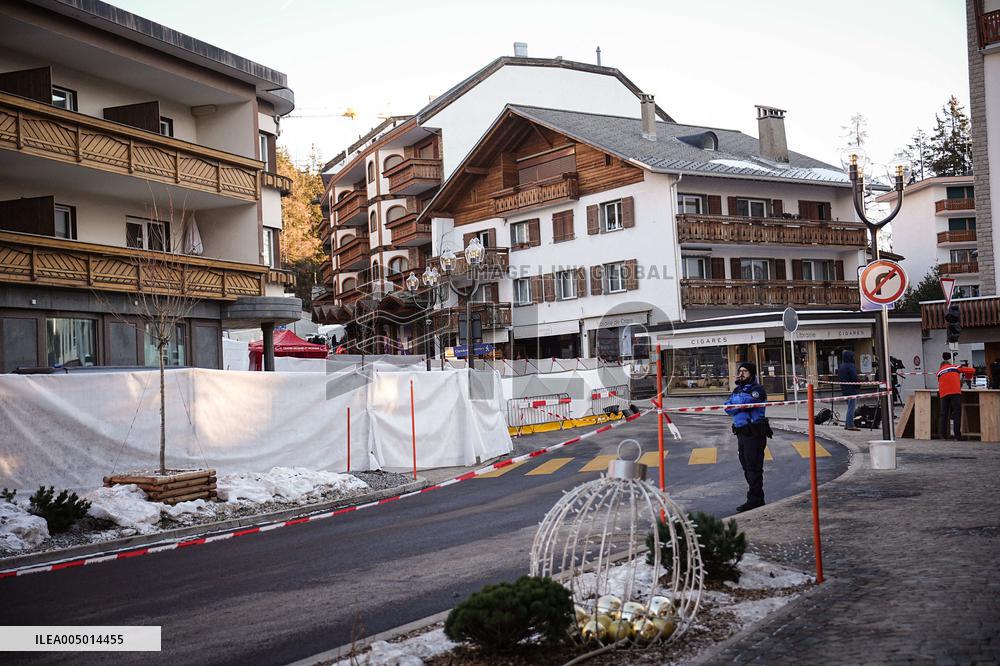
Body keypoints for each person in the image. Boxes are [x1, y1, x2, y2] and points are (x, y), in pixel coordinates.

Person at [725, 362, 772, 512]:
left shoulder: (757, 389)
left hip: (754, 433)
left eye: (745, 371)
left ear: (751, 373)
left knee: (754, 467)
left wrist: (737, 402)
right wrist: (737, 402)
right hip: (741, 433)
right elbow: (727, 407)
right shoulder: (737, 389)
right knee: (746, 466)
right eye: (740, 371)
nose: (741, 374)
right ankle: (757, 498)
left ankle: (754, 500)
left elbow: (746, 403)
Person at [937, 352, 975, 440]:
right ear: (949, 363)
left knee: (944, 414)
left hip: (943, 394)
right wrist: (968, 377)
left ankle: (943, 435)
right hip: (955, 392)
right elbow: (972, 370)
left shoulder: (939, 372)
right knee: (956, 414)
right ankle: (957, 436)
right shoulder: (955, 367)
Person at [837, 350, 860, 431]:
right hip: (852, 389)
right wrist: (858, 384)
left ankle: (847, 424)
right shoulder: (850, 366)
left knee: (849, 407)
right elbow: (854, 378)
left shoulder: (841, 366)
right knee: (851, 408)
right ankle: (850, 425)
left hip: (844, 389)